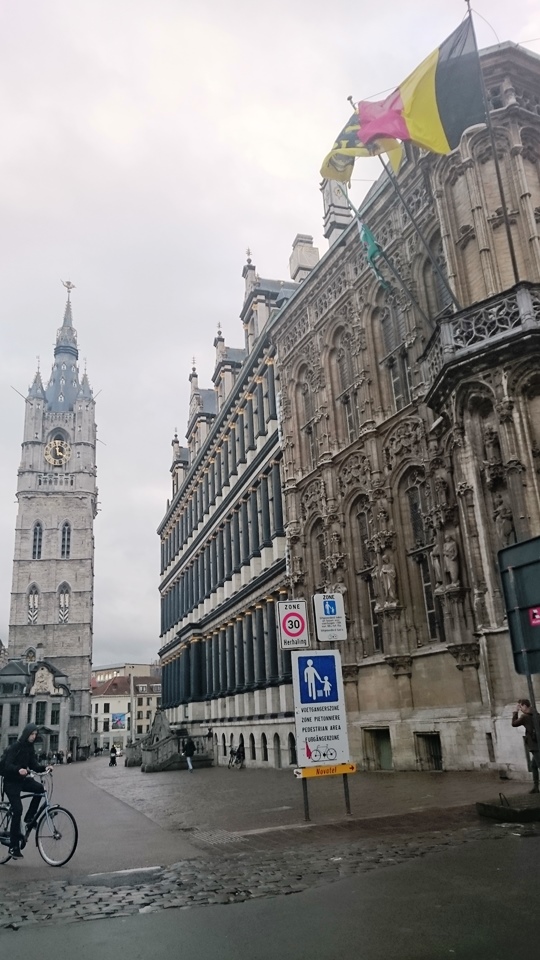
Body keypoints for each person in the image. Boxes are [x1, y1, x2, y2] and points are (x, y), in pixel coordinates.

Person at [1, 723, 53, 860]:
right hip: (11, 782)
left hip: (21, 780)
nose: (33, 736)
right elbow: (8, 765)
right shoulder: (15, 747)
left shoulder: (29, 749)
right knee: (17, 809)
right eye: (32, 734)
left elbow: (34, 765)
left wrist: (45, 768)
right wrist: (18, 769)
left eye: (35, 734)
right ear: (26, 734)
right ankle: (13, 847)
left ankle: (30, 817)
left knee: (40, 789)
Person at [512, 699, 540, 793]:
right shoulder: (535, 713)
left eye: (520, 706)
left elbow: (514, 723)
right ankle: (536, 787)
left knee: (538, 765)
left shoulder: (525, 717)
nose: (520, 709)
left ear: (524, 706)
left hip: (534, 745)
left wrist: (515, 712)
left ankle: (536, 787)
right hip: (537, 743)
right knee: (533, 765)